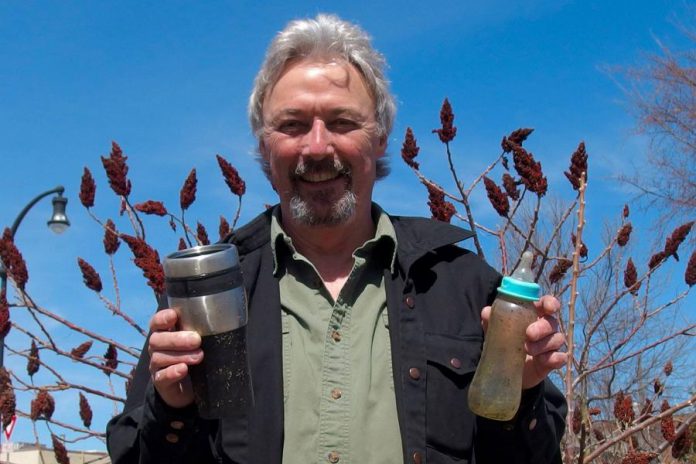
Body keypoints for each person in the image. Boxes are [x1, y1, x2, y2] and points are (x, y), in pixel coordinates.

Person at [106, 14, 567, 464]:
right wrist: (173, 410)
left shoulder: (462, 285)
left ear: (381, 137)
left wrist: (521, 394)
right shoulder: (211, 294)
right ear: (264, 146)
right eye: (292, 125)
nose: (317, 147)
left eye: (343, 122)